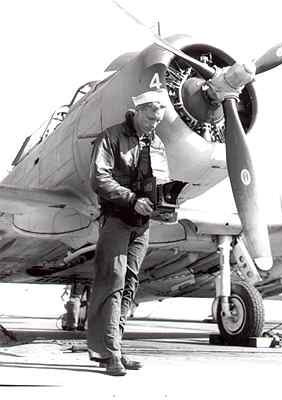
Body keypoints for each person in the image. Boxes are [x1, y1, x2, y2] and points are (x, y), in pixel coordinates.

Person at [87, 89, 169, 376]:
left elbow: (161, 182)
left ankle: (115, 348)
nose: (153, 124)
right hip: (117, 219)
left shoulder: (156, 143)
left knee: (130, 284)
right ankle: (109, 353)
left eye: (158, 121)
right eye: (150, 118)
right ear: (138, 110)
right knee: (113, 280)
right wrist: (132, 199)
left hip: (141, 225)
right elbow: (99, 178)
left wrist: (166, 203)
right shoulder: (110, 137)